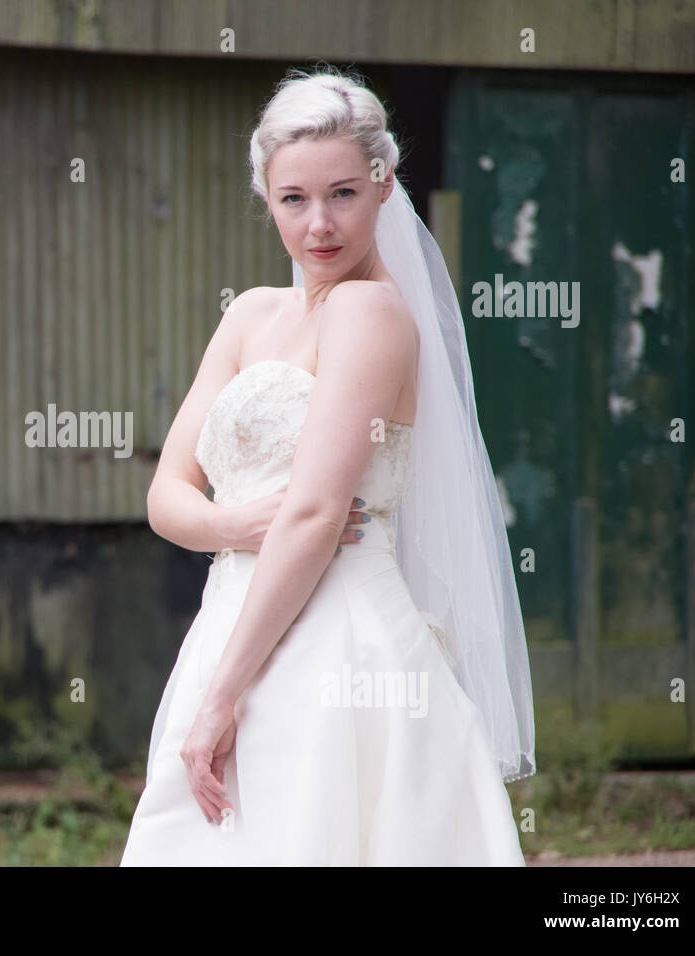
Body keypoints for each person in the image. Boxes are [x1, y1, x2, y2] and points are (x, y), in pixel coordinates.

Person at [121, 67, 535, 866]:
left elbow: (314, 515)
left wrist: (223, 696)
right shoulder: (248, 315)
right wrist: (229, 524)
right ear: (266, 198)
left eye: (343, 193)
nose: (319, 225)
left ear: (384, 187)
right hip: (232, 623)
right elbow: (166, 494)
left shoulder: (372, 312)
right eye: (294, 199)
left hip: (336, 643)